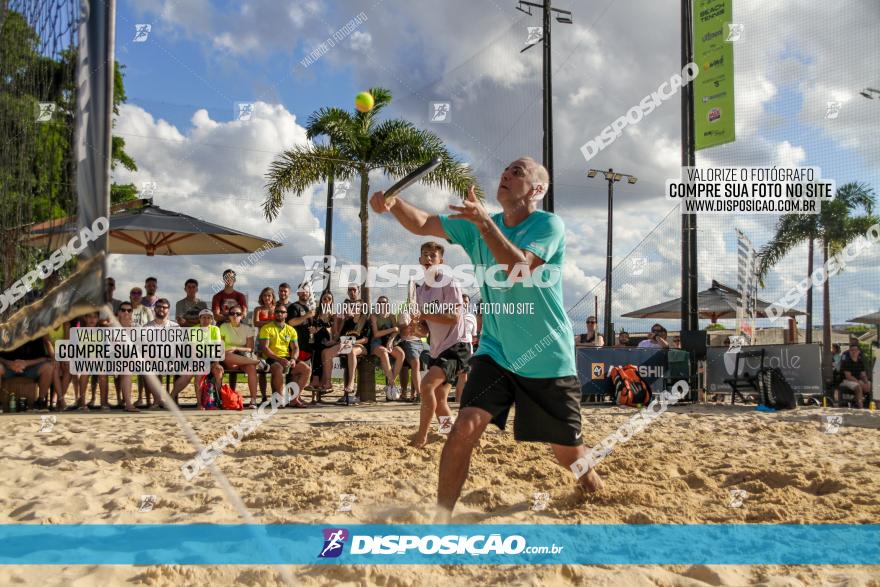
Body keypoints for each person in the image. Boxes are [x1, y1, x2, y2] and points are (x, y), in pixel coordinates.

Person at [371, 156, 604, 517]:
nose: (507, 173)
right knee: (464, 426)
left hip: (546, 356)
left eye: (518, 171)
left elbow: (517, 269)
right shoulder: (482, 224)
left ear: (537, 189)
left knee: (567, 453)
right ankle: (441, 518)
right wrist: (394, 203)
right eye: (506, 168)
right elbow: (421, 224)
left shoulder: (548, 225)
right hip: (495, 350)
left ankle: (592, 484)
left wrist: (482, 224)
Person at [405, 241, 471, 447]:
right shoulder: (421, 291)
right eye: (425, 255)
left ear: (441, 261)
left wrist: (424, 314)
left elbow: (453, 317)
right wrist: (413, 328)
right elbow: (425, 329)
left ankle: (421, 437)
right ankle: (453, 436)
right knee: (440, 399)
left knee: (426, 387)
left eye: (433, 255)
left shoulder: (449, 282)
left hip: (455, 347)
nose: (428, 259)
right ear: (419, 260)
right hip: (437, 348)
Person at [258, 303, 310, 407]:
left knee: (306, 369)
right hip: (271, 357)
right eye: (277, 312)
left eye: (282, 312)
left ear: (286, 314)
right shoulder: (266, 328)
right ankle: (280, 398)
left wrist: (294, 359)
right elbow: (265, 348)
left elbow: (295, 348)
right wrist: (279, 359)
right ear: (274, 314)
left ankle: (294, 399)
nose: (279, 314)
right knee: (277, 367)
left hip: (286, 357)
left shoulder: (291, 330)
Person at [320, 299, 371, 405]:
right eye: (353, 307)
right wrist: (334, 342)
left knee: (351, 351)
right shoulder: (348, 322)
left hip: (361, 347)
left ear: (361, 309)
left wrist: (353, 342)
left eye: (357, 307)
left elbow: (366, 339)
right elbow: (342, 337)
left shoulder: (365, 321)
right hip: (347, 344)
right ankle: (328, 382)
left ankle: (351, 383)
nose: (354, 309)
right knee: (326, 352)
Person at [172, 309, 225, 407]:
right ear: (199, 319)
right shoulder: (193, 330)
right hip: (196, 358)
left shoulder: (215, 329)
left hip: (211, 358)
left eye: (208, 317)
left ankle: (216, 401)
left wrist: (216, 363)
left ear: (212, 319)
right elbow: (193, 349)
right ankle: (198, 403)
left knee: (218, 372)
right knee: (196, 374)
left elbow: (217, 347)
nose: (206, 320)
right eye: (203, 317)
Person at [220, 304, 261, 408]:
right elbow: (221, 347)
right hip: (229, 358)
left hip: (242, 357)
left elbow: (250, 348)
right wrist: (232, 349)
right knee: (226, 355)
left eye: (238, 314)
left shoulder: (247, 328)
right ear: (228, 316)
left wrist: (236, 348)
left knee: (251, 368)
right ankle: (258, 362)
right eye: (232, 313)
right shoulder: (223, 327)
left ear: (242, 316)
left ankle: (253, 400)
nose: (235, 315)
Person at [0, 335, 53, 412]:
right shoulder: (7, 332)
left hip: (30, 367)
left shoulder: (34, 333)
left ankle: (40, 402)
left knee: (48, 367)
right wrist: (8, 363)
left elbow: (44, 358)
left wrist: (26, 363)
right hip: (8, 367)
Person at [287, 285, 319, 402]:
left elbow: (311, 326)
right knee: (296, 373)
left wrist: (314, 330)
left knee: (299, 373)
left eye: (307, 291)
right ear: (298, 293)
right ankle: (295, 398)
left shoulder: (309, 308)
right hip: (295, 345)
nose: (305, 293)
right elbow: (291, 322)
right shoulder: (294, 307)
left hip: (307, 345)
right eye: (302, 291)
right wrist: (306, 315)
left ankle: (296, 398)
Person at [370, 295, 403, 400]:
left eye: (383, 302)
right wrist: (392, 329)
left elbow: (397, 331)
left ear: (387, 304)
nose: (381, 304)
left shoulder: (392, 316)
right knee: (384, 352)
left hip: (389, 342)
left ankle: (389, 385)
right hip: (377, 343)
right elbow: (376, 334)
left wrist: (391, 340)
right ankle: (393, 385)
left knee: (401, 354)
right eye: (379, 302)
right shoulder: (374, 316)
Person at [109, 302, 139, 412]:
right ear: (119, 312)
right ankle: (128, 404)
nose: (126, 312)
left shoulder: (136, 327)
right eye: (123, 310)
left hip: (132, 358)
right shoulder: (113, 327)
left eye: (129, 310)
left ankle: (157, 401)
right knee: (126, 366)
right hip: (114, 357)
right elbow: (115, 347)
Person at [308, 291, 336, 397]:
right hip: (316, 342)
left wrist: (322, 327)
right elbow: (311, 329)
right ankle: (316, 383)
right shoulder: (316, 314)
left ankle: (315, 380)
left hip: (328, 342)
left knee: (319, 349)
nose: (326, 301)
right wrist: (313, 329)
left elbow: (334, 331)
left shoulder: (333, 315)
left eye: (329, 299)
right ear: (321, 300)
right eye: (325, 299)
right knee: (317, 349)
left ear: (332, 301)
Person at [455, 294, 478, 402]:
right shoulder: (452, 314)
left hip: (467, 347)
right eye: (463, 301)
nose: (465, 303)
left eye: (467, 302)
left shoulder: (472, 317)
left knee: (464, 375)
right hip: (453, 345)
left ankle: (459, 401)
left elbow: (474, 335)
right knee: (450, 375)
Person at [837, 340, 871, 408]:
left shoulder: (860, 361)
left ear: (858, 352)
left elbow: (863, 375)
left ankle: (873, 404)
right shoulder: (846, 361)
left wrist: (866, 383)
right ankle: (861, 407)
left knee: (872, 386)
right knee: (858, 387)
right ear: (849, 351)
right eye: (852, 350)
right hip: (846, 380)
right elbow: (848, 376)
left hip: (856, 379)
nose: (854, 352)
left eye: (855, 350)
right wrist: (860, 383)